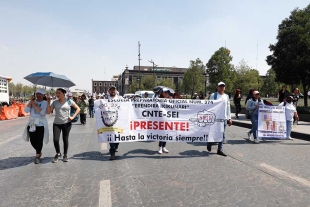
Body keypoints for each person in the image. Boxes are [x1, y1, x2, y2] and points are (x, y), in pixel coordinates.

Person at [46, 88, 80, 163]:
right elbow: (48, 112)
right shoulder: (55, 102)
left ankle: (65, 155)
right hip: (57, 124)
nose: (57, 94)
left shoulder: (69, 101)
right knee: (55, 139)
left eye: (59, 93)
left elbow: (78, 109)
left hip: (66, 123)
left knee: (65, 139)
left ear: (64, 93)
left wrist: (72, 117)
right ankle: (58, 153)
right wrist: (48, 102)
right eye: (56, 93)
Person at [22, 88, 49, 164]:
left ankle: (37, 156)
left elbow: (43, 113)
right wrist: (31, 102)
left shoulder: (45, 103)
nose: (38, 95)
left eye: (40, 94)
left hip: (40, 124)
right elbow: (26, 110)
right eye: (37, 94)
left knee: (39, 140)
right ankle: (39, 151)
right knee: (32, 140)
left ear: (43, 95)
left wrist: (34, 105)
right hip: (32, 124)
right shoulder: (32, 102)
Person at [207, 82, 232, 156]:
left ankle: (220, 149)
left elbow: (228, 108)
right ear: (217, 87)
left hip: (223, 118)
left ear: (225, 88)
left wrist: (229, 118)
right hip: (215, 118)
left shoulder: (226, 96)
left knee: (222, 134)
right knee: (213, 132)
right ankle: (209, 143)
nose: (221, 88)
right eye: (220, 86)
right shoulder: (213, 95)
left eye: (223, 86)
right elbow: (209, 106)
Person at [107, 86, 123, 160]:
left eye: (114, 90)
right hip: (110, 121)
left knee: (118, 137)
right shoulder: (105, 99)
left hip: (119, 121)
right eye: (111, 90)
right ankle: (112, 152)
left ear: (116, 91)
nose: (113, 91)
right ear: (109, 91)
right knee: (111, 137)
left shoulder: (121, 98)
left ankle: (116, 146)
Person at [158, 88, 171, 154]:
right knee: (161, 133)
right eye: (166, 93)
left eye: (168, 93)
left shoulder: (169, 100)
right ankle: (160, 147)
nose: (167, 94)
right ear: (163, 93)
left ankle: (164, 147)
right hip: (161, 119)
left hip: (167, 119)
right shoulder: (159, 100)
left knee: (166, 133)